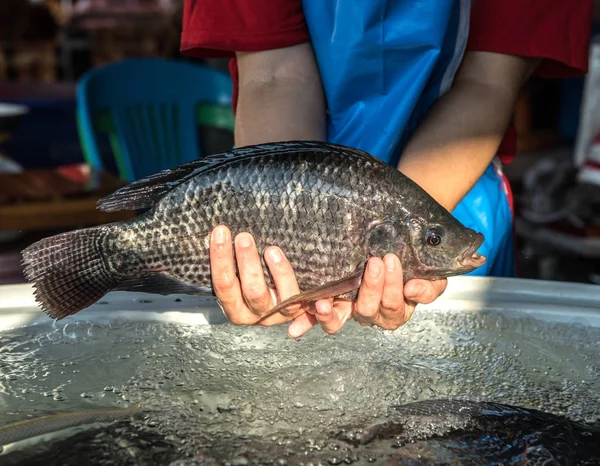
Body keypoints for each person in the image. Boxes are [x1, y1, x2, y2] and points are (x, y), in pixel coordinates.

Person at [180, 0, 592, 338]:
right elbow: (274, 76)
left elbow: (488, 83)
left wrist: (409, 247)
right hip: (288, 207)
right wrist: (280, 245)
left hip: (452, 192)